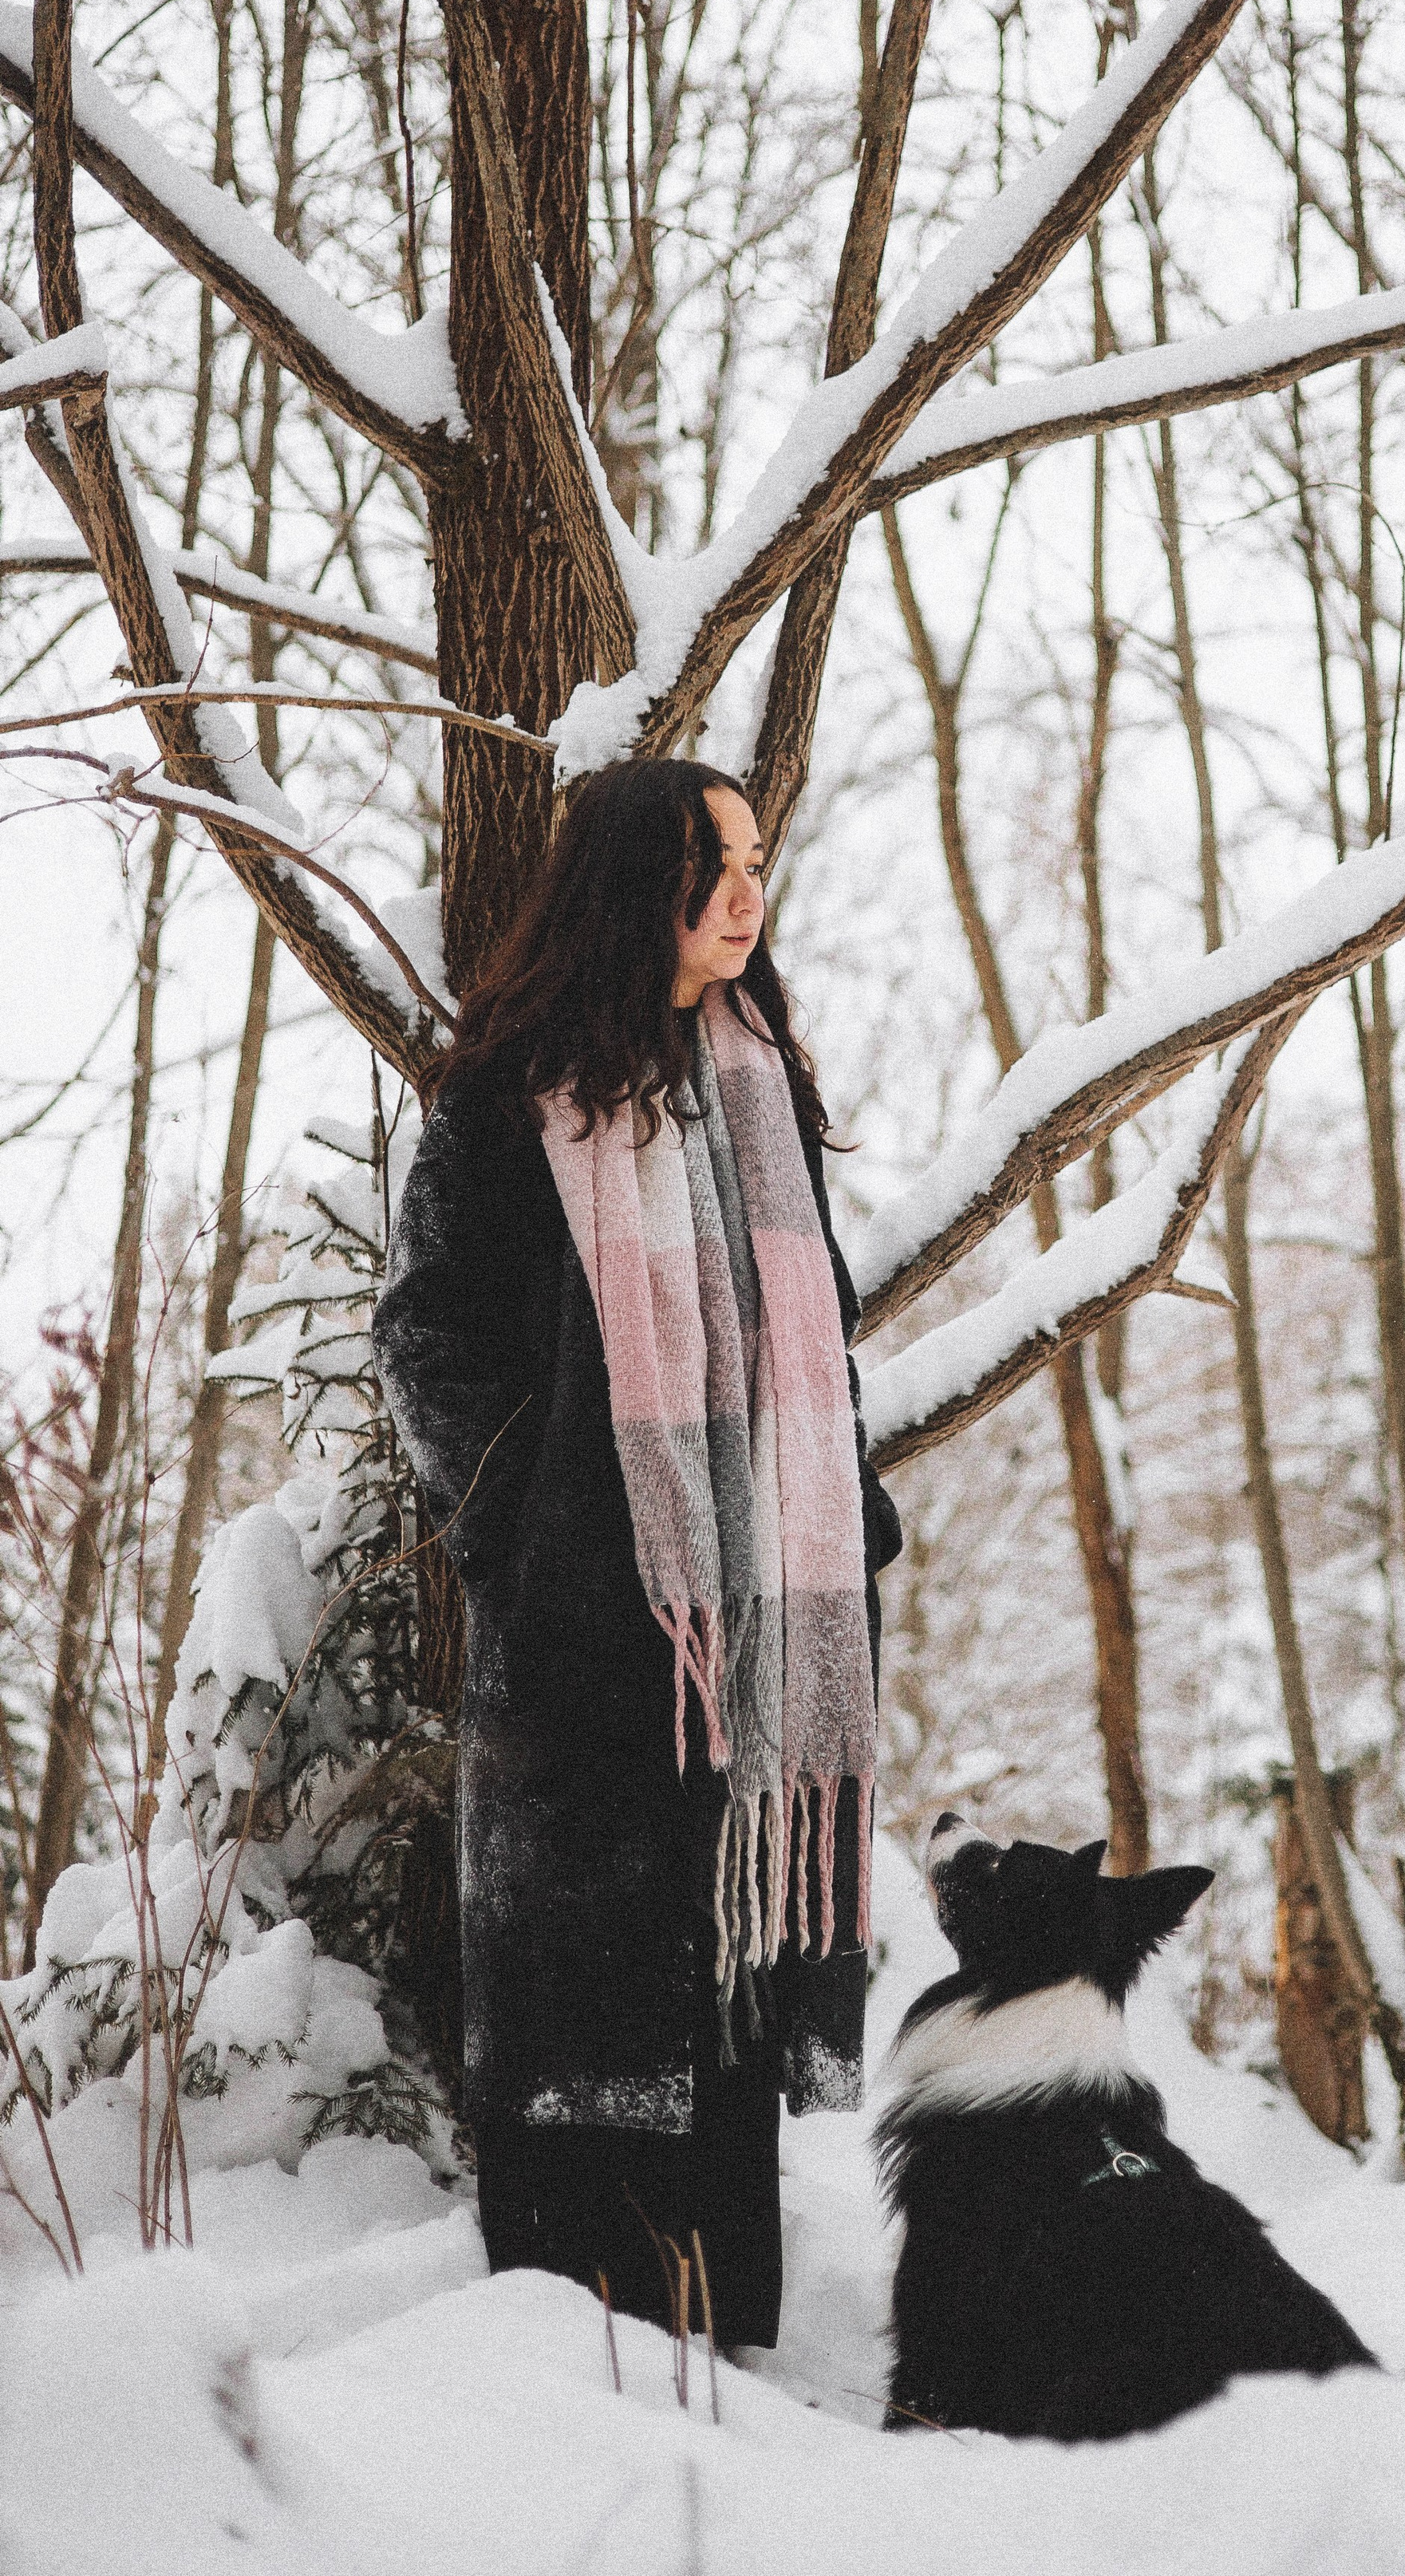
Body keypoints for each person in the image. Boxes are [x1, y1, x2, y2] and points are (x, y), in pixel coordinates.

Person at [372, 759, 900, 2347]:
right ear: (627, 886)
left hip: (761, 1621)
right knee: (588, 1990)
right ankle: (571, 2360)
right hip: (594, 1635)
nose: (746, 895)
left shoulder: (760, 1081)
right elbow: (429, 1336)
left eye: (754, 858)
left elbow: (819, 1346)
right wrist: (525, 1530)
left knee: (719, 1975)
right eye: (706, 865)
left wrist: (851, 1514)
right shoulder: (507, 1099)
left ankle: (718, 2357)